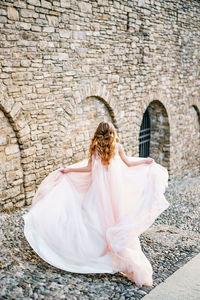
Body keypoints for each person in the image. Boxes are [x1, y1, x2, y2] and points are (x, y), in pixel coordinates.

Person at [23, 122, 169, 287]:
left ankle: (95, 252)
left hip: (97, 193)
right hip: (115, 193)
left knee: (93, 220)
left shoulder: (95, 149)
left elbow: (88, 169)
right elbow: (128, 164)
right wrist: (145, 161)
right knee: (115, 220)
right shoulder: (117, 147)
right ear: (112, 133)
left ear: (97, 134)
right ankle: (115, 253)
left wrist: (69, 170)